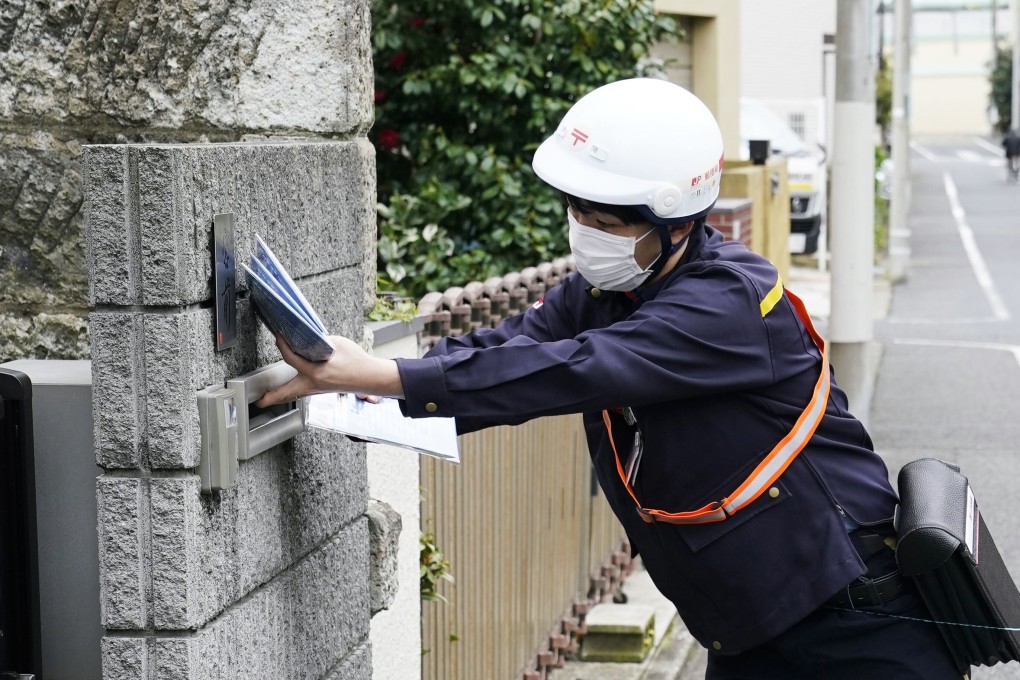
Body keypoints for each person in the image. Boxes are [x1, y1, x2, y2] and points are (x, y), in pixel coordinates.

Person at [258, 78, 962, 679]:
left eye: (604, 219)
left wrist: (382, 374)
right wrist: (349, 389)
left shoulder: (729, 302)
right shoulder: (608, 290)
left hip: (853, 613)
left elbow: (576, 369)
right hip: (750, 619)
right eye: (576, 212)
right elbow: (511, 349)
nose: (582, 230)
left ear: (674, 220)